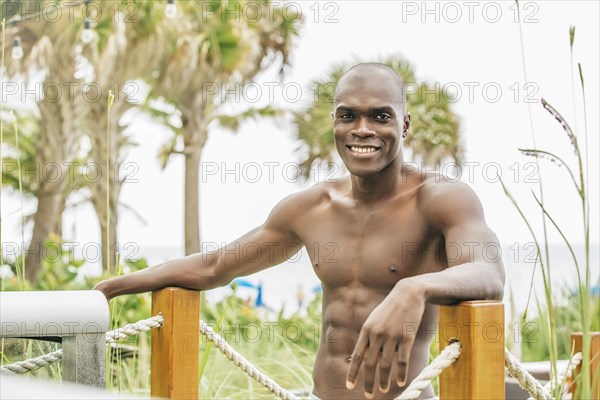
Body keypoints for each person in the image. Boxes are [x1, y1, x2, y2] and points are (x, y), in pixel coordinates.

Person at [94, 62, 505, 399]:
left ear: (405, 125)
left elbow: (488, 274)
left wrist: (414, 288)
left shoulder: (440, 199)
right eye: (348, 116)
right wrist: (110, 289)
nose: (362, 129)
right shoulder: (311, 208)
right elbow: (215, 266)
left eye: (381, 116)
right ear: (335, 123)